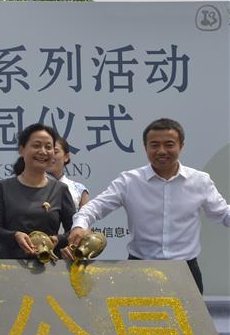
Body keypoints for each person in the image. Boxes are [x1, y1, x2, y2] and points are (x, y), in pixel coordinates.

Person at [69, 117, 230, 293]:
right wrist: (79, 226)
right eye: (154, 145)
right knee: (135, 320)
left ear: (181, 146)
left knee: (190, 321)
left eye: (169, 144)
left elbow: (222, 213)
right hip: (140, 268)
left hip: (186, 270)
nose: (161, 151)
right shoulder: (129, 181)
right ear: (145, 147)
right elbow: (94, 208)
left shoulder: (200, 181)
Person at [0, 123, 75, 259]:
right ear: (21, 150)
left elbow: (73, 230)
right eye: (36, 145)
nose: (43, 151)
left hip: (49, 267)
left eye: (48, 147)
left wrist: (58, 239)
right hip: (9, 267)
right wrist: (15, 236)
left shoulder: (60, 189)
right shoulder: (2, 188)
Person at [48, 135, 89, 209]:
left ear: (66, 157)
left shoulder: (79, 190)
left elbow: (85, 219)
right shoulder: (31, 186)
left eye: (55, 152)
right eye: (48, 151)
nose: (50, 155)